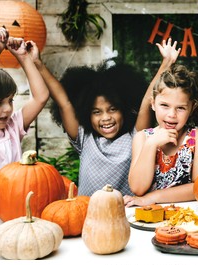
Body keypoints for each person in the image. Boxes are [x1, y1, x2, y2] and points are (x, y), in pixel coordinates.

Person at [31, 38, 181, 196]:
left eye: (112, 109)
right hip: (87, 215)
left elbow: (146, 101)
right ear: (86, 114)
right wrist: (38, 63)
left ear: (124, 109)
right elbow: (64, 103)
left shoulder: (136, 136)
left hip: (126, 216)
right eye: (97, 112)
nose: (105, 118)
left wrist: (167, 62)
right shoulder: (84, 138)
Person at [0, 27, 49, 223]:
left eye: (10, 101)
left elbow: (41, 97)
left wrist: (23, 57)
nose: (7, 110)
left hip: (13, 214)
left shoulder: (12, 127)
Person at [124, 63, 198, 207]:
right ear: (153, 104)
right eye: (164, 105)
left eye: (181, 108)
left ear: (192, 108)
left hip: (189, 214)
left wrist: (153, 197)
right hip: (150, 215)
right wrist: (151, 144)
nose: (172, 115)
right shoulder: (142, 138)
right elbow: (138, 188)